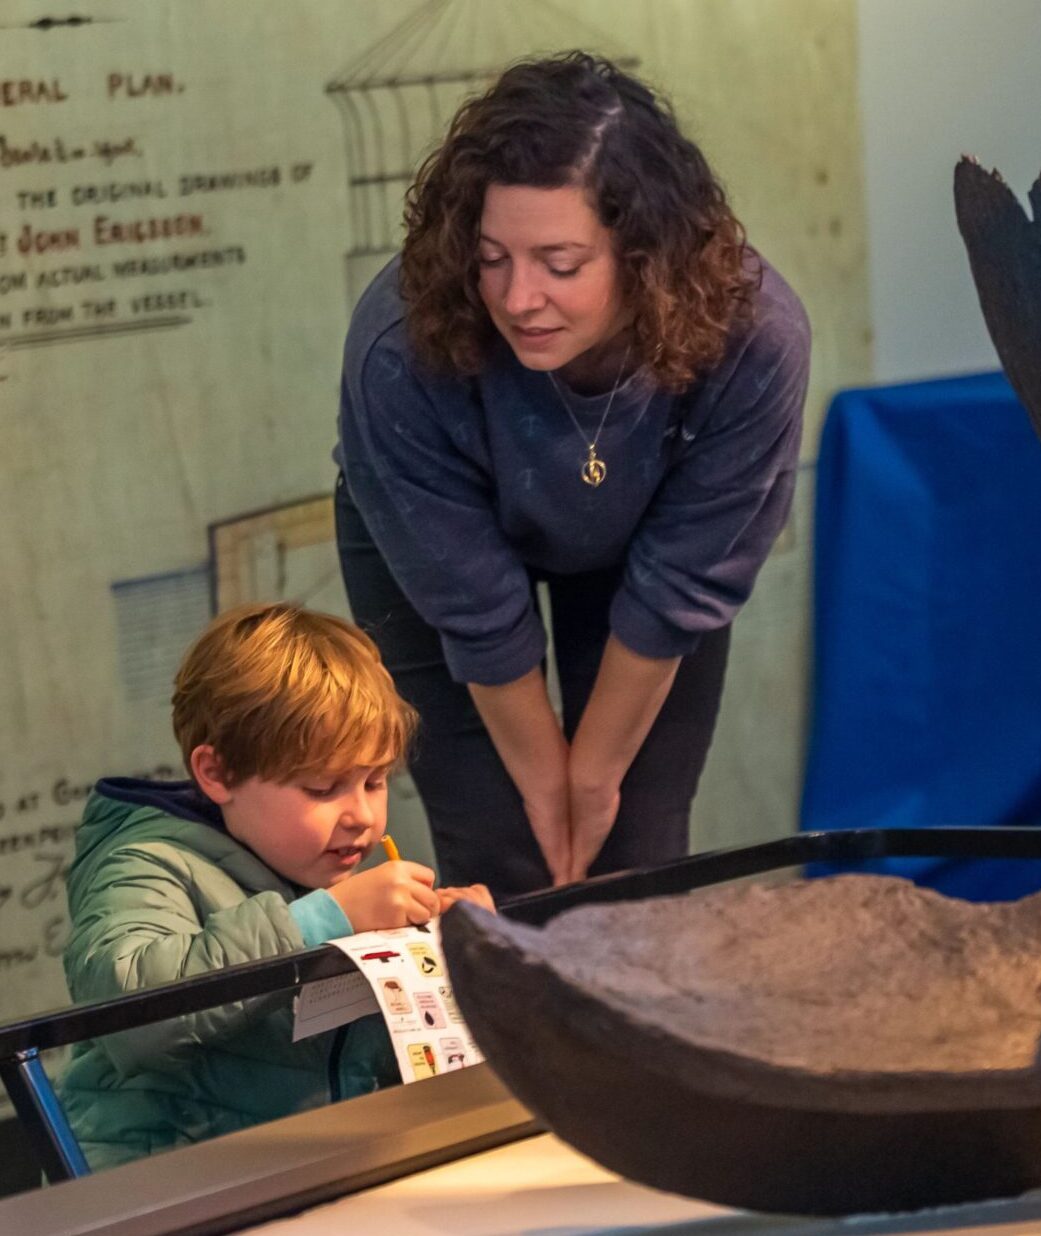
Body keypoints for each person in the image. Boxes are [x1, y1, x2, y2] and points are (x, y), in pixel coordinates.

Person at [335, 51, 810, 895]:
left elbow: (676, 590)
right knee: (504, 851)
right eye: (493, 258)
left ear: (645, 255)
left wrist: (589, 782)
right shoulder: (397, 349)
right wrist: (544, 791)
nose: (518, 299)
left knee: (636, 844)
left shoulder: (756, 339)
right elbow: (478, 616)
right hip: (446, 567)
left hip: (648, 558)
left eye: (560, 265)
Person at [58, 603, 493, 1168]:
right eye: (322, 787)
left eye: (376, 780)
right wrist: (326, 920)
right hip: (160, 1188)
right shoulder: (144, 863)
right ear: (217, 774)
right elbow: (134, 1017)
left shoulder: (309, 865)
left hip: (304, 1167)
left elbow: (364, 1060)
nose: (361, 814)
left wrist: (454, 960)